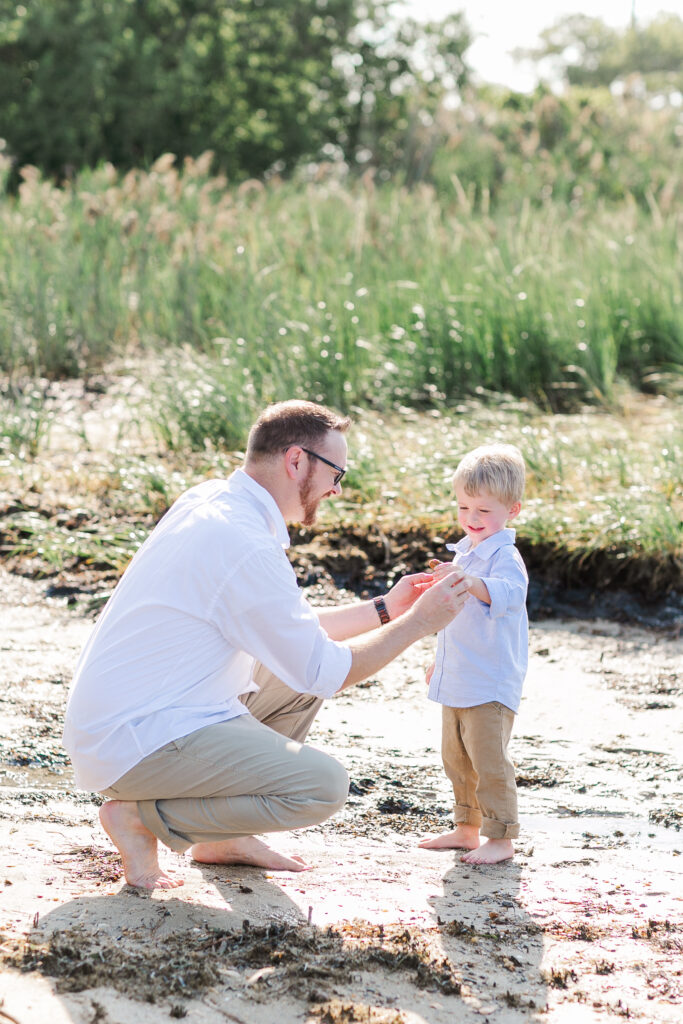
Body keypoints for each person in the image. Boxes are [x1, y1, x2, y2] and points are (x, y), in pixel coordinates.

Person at [63, 400, 471, 889]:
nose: (337, 488)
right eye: (336, 472)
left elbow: (291, 635)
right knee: (320, 787)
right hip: (134, 741)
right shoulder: (245, 543)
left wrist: (386, 608)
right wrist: (420, 624)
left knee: (296, 682)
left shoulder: (212, 501)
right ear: (296, 461)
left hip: (133, 715)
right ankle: (140, 818)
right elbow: (330, 671)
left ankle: (224, 837)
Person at [418, 443, 528, 865]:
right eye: (464, 507)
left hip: (489, 680)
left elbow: (510, 595)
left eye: (483, 511)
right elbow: (456, 616)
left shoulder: (504, 556)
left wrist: (467, 580)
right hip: (458, 674)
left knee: (488, 761)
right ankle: (466, 828)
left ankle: (500, 836)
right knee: (457, 758)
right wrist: (438, 659)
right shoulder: (464, 550)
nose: (471, 519)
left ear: (511, 511)